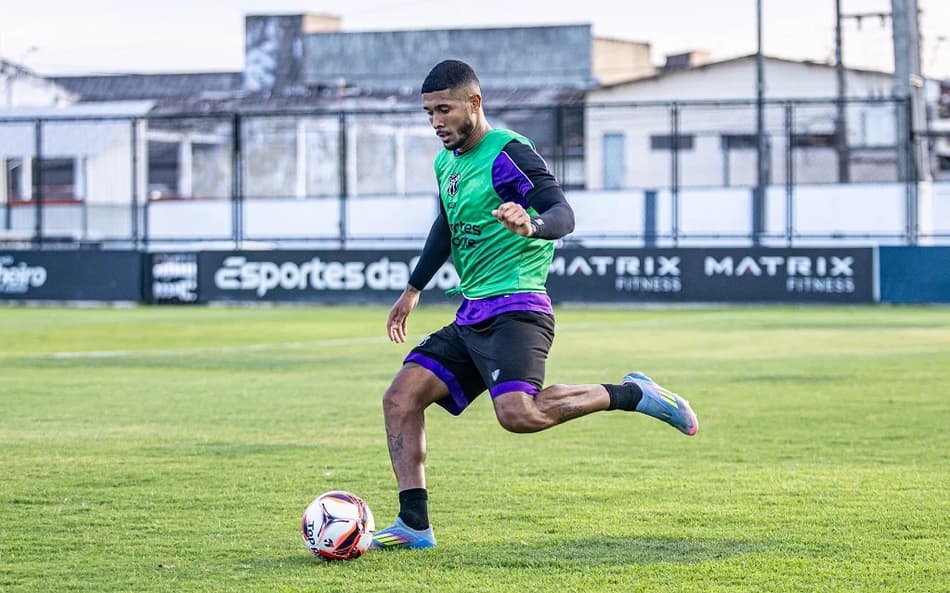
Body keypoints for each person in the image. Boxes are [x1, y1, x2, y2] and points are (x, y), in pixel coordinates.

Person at [370, 59, 698, 551]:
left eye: (444, 109)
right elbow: (446, 225)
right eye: (428, 112)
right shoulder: (446, 164)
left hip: (519, 308)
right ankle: (414, 525)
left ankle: (634, 394)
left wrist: (532, 225)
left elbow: (563, 213)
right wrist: (414, 286)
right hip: (473, 313)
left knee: (518, 414)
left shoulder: (509, 154)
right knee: (400, 399)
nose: (435, 121)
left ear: (473, 104)